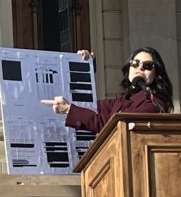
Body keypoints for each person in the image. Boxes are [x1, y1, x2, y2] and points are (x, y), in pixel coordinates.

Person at [42, 47, 174, 133]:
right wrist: (84, 67)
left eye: (147, 65)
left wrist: (69, 109)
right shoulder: (124, 99)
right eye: (135, 63)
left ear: (157, 73)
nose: (139, 68)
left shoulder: (156, 101)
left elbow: (109, 124)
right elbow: (91, 107)